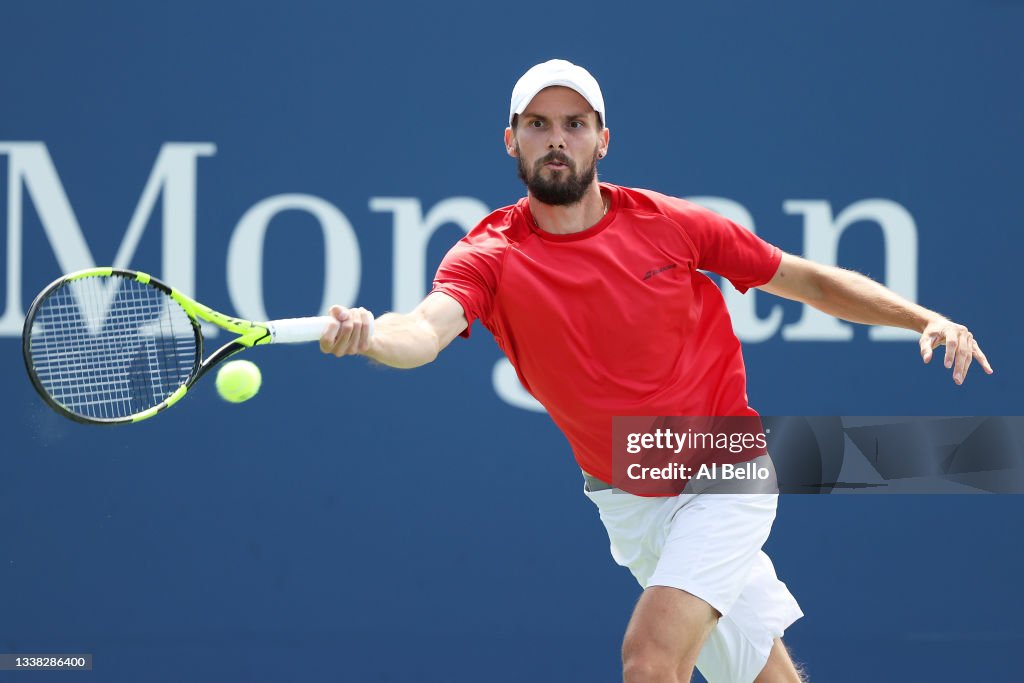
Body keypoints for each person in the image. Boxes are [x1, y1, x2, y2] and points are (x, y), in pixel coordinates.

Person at [318, 59, 993, 683]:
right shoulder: (488, 255)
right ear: (511, 141)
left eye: (574, 125)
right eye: (539, 125)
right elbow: (424, 329)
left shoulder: (669, 224)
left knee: (650, 660)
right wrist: (372, 335)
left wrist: (921, 317)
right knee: (765, 676)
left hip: (723, 463)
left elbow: (807, 280)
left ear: (602, 140)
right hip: (625, 491)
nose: (558, 139)